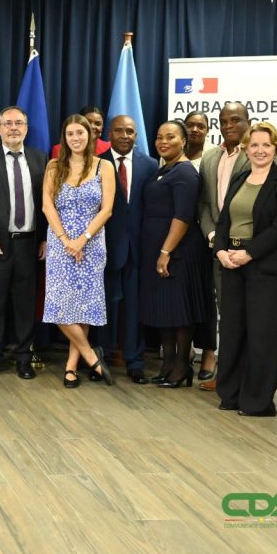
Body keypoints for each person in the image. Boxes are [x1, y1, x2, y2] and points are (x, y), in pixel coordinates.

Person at [213, 122, 277, 417]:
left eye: (266, 145)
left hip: (268, 268)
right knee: (233, 332)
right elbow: (224, 220)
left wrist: (249, 253)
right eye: (254, 145)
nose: (260, 150)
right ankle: (231, 394)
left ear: (276, 148)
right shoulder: (239, 178)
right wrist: (221, 251)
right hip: (232, 263)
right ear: (246, 149)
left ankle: (257, 402)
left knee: (264, 336)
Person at [0, 106, 47, 380]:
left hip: (29, 244)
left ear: (26, 128)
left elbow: (48, 203)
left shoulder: (40, 159)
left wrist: (45, 238)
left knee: (25, 304)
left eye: (19, 123)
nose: (14, 128)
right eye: (8, 123)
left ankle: (24, 357)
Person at [42, 115, 116, 387]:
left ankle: (71, 366)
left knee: (82, 307)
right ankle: (91, 355)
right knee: (59, 306)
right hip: (60, 245)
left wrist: (82, 240)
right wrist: (66, 240)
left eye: (80, 133)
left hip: (91, 245)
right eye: (70, 133)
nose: (75, 138)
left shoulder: (104, 166)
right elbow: (47, 206)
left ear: (90, 135)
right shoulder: (54, 166)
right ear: (64, 137)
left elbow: (107, 210)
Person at [140, 121, 215, 388]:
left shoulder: (185, 172)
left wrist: (165, 251)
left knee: (181, 313)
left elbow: (183, 216)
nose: (163, 141)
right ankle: (168, 365)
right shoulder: (163, 169)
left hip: (178, 252)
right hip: (160, 249)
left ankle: (182, 367)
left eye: (170, 137)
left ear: (184, 141)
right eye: (159, 137)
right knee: (166, 311)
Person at [195, 101, 253, 389]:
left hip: (250, 251)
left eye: (235, 120)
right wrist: (213, 239)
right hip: (219, 251)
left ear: (248, 122)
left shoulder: (259, 152)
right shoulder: (209, 157)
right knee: (227, 316)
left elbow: (269, 202)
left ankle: (249, 381)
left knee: (250, 317)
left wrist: (246, 245)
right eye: (224, 121)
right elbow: (204, 204)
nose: (229, 125)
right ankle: (226, 377)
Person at [99, 114, 159, 383]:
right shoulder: (97, 163)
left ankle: (135, 361)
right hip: (105, 248)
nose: (125, 136)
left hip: (138, 249)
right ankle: (101, 358)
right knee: (104, 307)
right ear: (109, 134)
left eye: (130, 131)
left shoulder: (150, 165)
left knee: (135, 308)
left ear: (136, 135)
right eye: (119, 131)